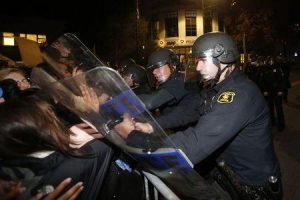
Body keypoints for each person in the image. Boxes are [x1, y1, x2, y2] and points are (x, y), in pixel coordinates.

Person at [114, 32, 282, 200]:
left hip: (253, 187)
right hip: (227, 176)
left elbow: (195, 143)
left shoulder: (239, 94)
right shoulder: (217, 88)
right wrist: (152, 125)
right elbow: (189, 110)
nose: (198, 67)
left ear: (222, 57)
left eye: (202, 60)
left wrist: (133, 136)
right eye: (196, 61)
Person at [0, 95, 114, 200]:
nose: (55, 117)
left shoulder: (13, 168)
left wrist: (63, 138)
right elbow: (110, 142)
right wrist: (94, 116)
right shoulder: (80, 161)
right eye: (49, 118)